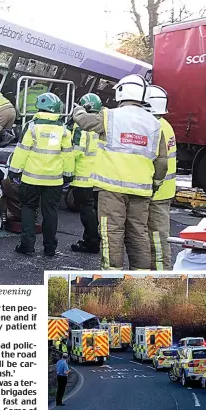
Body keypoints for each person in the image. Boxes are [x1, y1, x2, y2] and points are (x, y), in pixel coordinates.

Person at [72, 74, 168, 270]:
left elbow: (84, 122)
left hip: (111, 189)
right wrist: (155, 185)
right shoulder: (155, 125)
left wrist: (79, 110)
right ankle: (141, 279)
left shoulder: (110, 116)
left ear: (121, 92)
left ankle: (112, 275)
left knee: (112, 232)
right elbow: (162, 162)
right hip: (141, 191)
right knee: (138, 233)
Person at [9, 92, 74, 257]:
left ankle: (27, 246)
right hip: (54, 180)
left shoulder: (31, 126)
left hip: (31, 178)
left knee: (29, 209)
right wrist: (68, 174)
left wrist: (14, 171)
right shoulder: (64, 130)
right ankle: (50, 248)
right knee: (50, 212)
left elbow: (22, 150)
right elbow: (68, 154)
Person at [68, 93, 103, 254]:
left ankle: (91, 242)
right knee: (95, 210)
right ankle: (94, 238)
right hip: (100, 175)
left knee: (86, 211)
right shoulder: (103, 124)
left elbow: (75, 152)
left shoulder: (80, 127)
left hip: (83, 176)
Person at [146, 85, 176, 270]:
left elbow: (159, 164)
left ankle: (161, 275)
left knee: (157, 239)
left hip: (157, 193)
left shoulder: (155, 127)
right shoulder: (165, 125)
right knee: (157, 237)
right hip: (164, 191)